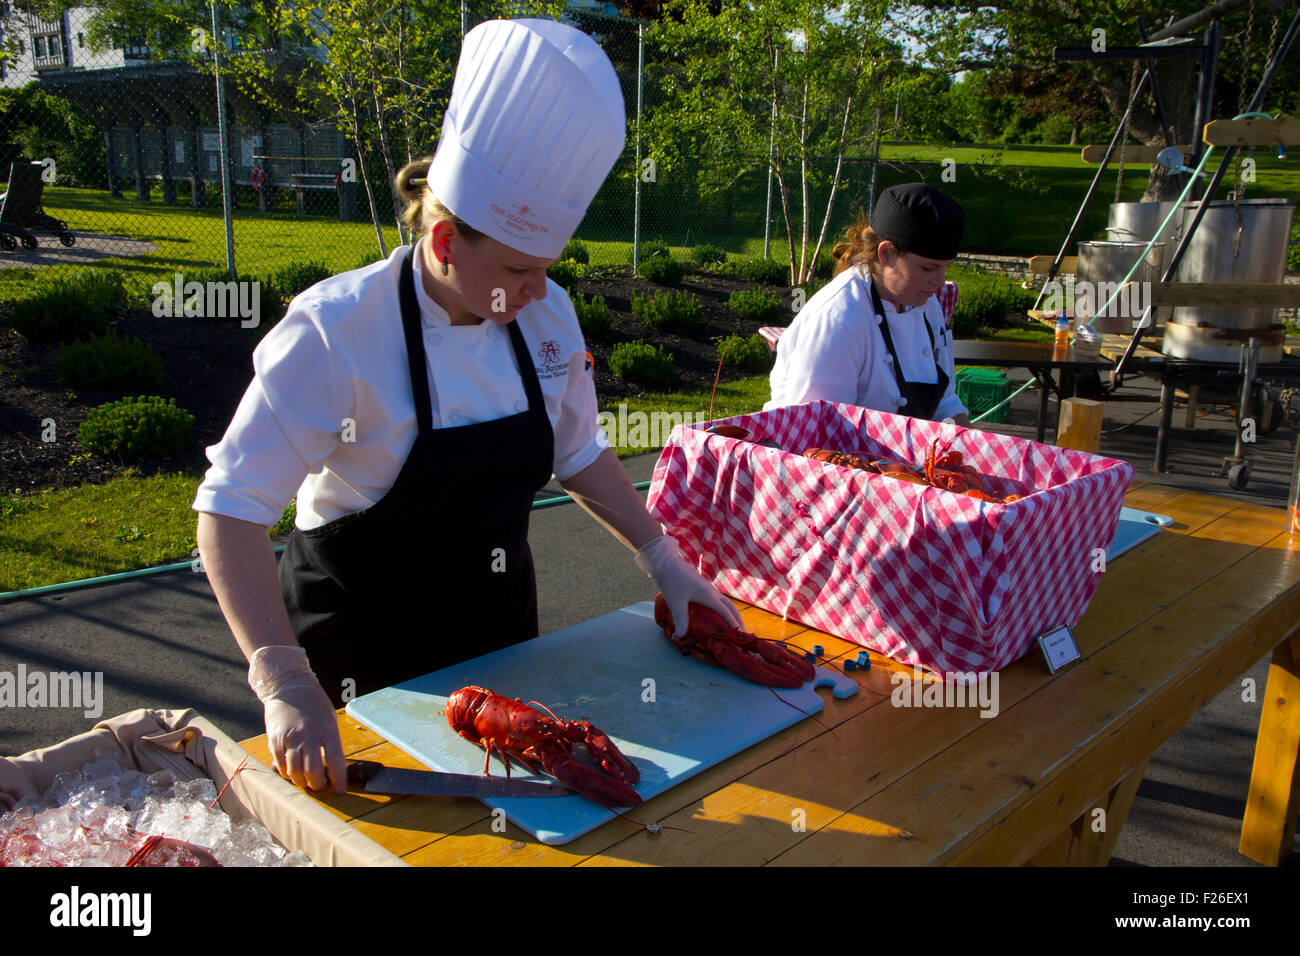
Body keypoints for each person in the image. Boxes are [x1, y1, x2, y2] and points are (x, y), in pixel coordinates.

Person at [193, 19, 742, 795]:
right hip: (357, 658)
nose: (539, 292)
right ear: (445, 240)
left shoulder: (542, 316)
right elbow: (230, 510)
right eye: (520, 270)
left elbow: (577, 453)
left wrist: (662, 558)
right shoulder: (336, 330)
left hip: (499, 646)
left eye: (547, 269)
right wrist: (282, 680)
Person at [765, 183, 970, 425]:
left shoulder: (926, 304)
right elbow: (817, 428)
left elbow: (945, 404)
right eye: (928, 268)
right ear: (886, 254)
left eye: (945, 267)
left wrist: (965, 436)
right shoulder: (838, 318)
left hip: (907, 458)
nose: (939, 282)